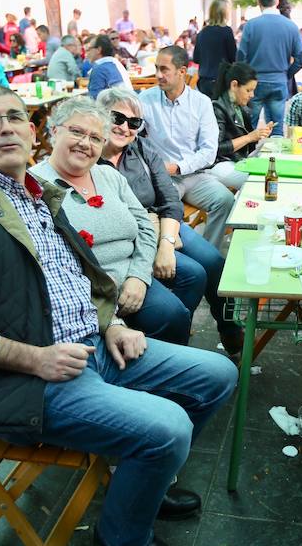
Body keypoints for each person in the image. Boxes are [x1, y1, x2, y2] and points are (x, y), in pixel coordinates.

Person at [0, 84, 236, 546]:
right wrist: (35, 359)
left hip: (91, 345)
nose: (5, 126)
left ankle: (144, 481)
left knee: (218, 373)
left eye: (15, 116)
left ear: (32, 130)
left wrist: (113, 323)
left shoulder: (34, 193)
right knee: (168, 428)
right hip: (27, 379)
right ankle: (123, 534)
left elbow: (74, 282)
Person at [96, 87, 246, 355]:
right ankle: (172, 339)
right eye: (117, 118)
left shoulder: (141, 149)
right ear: (100, 116)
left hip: (161, 222)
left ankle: (227, 327)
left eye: (134, 122)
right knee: (194, 273)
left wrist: (166, 242)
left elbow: (169, 199)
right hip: (132, 233)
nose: (125, 128)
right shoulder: (90, 156)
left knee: (214, 262)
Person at [29, 98, 176, 340]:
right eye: (76, 132)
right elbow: (47, 262)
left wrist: (139, 276)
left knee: (173, 314)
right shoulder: (34, 186)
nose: (85, 143)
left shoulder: (108, 175)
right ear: (54, 131)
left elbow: (145, 228)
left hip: (130, 275)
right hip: (84, 291)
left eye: (96, 138)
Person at [139, 46, 232, 249]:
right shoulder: (145, 100)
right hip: (162, 177)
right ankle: (173, 255)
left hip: (193, 175)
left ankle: (210, 251)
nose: (158, 75)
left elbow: (209, 151)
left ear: (182, 71)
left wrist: (178, 167)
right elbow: (132, 134)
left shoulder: (201, 103)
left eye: (164, 69)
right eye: (156, 68)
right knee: (165, 210)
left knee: (225, 200)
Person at [237, 0, 302, 136]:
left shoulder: (251, 26)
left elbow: (241, 55)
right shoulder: (291, 26)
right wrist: (285, 74)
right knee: (277, 128)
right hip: (278, 81)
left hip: (254, 83)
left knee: (249, 128)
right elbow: (300, 59)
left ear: (258, 1)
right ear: (277, 0)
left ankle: (249, 157)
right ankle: (275, 159)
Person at [211, 62, 271, 187]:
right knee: (258, 183)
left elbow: (248, 143)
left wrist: (258, 135)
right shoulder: (218, 108)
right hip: (220, 164)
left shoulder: (241, 107)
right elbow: (215, 148)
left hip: (238, 160)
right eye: (248, 90)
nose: (252, 95)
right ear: (234, 85)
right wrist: (249, 137)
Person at [192, 0, 237, 99]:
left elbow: (196, 58)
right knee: (220, 112)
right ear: (225, 13)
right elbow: (233, 57)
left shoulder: (202, 33)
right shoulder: (226, 31)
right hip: (221, 80)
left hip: (204, 81)